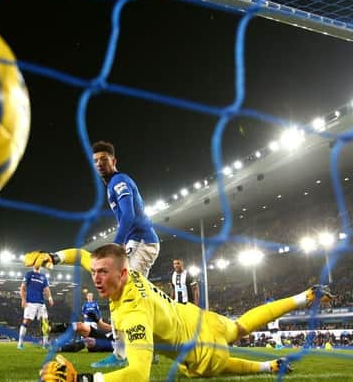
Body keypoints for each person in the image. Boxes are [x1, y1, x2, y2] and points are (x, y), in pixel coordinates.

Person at [27, 245, 335, 382]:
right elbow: (83, 255)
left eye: (102, 273)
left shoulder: (135, 314)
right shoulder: (123, 273)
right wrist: (53, 257)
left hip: (199, 349)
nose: (95, 278)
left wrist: (83, 380)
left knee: (216, 367)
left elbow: (137, 375)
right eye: (94, 272)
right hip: (196, 316)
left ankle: (266, 367)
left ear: (121, 275)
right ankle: (304, 296)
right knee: (240, 326)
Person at [90, 141, 160, 368]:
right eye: (96, 161)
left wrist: (115, 246)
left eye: (104, 159)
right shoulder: (112, 185)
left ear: (114, 160)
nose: (99, 163)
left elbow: (129, 216)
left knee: (119, 291)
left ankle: (121, 354)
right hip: (139, 241)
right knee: (136, 296)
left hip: (141, 241)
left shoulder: (119, 181)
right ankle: (142, 349)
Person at [17, 266, 53, 349]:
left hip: (41, 303)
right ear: (33, 265)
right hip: (30, 302)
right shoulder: (29, 274)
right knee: (26, 321)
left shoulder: (43, 276)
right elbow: (22, 287)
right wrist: (23, 299)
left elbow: (47, 289)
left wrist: (50, 298)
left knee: (45, 322)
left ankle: (45, 344)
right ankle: (20, 343)